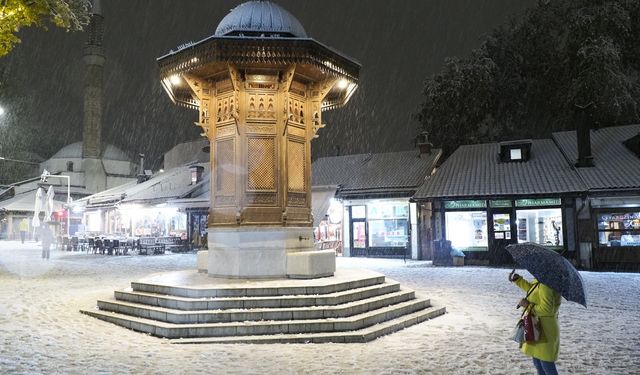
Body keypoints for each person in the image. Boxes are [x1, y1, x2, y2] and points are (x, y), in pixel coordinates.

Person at [509, 270, 562, 375]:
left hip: (544, 330)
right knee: (538, 364)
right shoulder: (543, 280)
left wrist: (527, 305)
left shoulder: (547, 284)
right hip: (537, 327)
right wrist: (518, 280)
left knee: (547, 366)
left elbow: (547, 309)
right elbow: (533, 290)